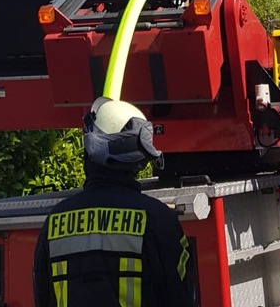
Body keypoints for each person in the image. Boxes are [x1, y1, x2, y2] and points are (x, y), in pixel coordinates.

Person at [33, 97, 195, 307]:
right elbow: (180, 297)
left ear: (91, 149)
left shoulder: (54, 222)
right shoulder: (158, 219)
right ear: (139, 159)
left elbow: (43, 297)